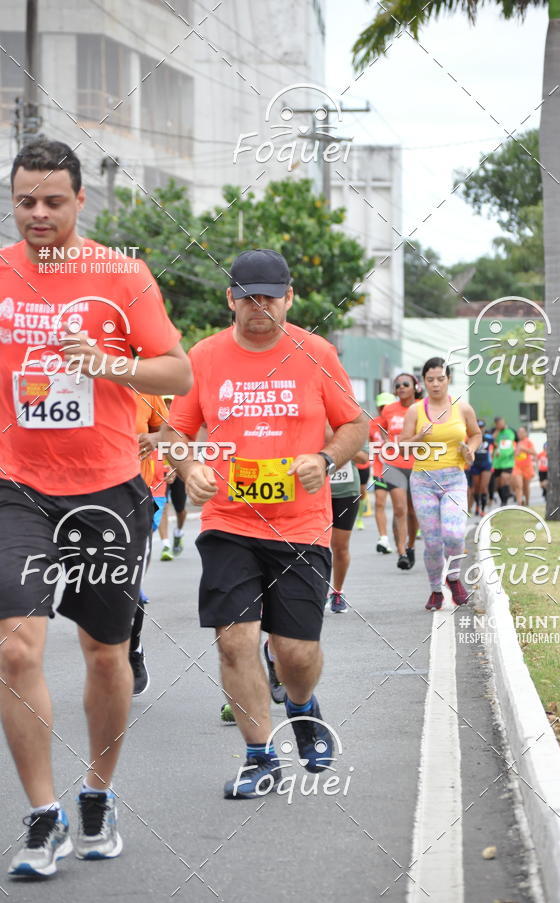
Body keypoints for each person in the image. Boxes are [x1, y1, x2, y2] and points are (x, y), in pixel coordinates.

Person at [0, 138, 192, 877]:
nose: (39, 214)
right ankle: (43, 815)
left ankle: (98, 793)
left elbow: (175, 367)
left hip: (107, 487)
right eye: (25, 201)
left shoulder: (123, 274)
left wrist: (108, 363)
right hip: (16, 484)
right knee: (16, 646)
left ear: (81, 200)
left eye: (53, 200)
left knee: (105, 652)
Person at [163, 248, 367, 799]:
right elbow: (173, 433)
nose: (259, 308)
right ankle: (260, 757)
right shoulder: (204, 357)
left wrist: (323, 460)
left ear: (289, 298)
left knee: (295, 652)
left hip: (301, 525)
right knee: (235, 641)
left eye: (269, 298)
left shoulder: (315, 352)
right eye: (247, 297)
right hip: (229, 522)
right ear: (230, 298)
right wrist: (189, 466)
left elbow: (353, 426)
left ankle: (301, 706)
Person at [400, 357, 481, 611]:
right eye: (430, 379)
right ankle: (436, 590)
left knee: (455, 535)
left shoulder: (462, 408)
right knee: (433, 542)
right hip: (423, 481)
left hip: (454, 479)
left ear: (449, 380)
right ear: (423, 382)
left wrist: (471, 450)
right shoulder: (415, 410)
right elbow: (401, 446)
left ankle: (454, 578)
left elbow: (476, 434)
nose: (436, 384)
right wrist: (419, 437)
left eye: (441, 379)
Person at [131, 392, 171, 696]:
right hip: (75, 498)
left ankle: (132, 647)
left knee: (129, 584)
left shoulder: (144, 386)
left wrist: (155, 441)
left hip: (135, 496)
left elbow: (167, 429)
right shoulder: (69, 378)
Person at [379, 373, 422, 570]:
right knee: (399, 509)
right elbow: (381, 430)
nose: (401, 388)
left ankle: (411, 545)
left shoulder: (423, 408)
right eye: (397, 385)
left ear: (415, 386)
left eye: (406, 384)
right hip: (393, 464)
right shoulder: (389, 410)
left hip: (417, 465)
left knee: (413, 512)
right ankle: (402, 552)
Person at [328, 448, 368, 613]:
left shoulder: (353, 425)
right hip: (314, 491)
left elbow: (363, 458)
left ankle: (337, 592)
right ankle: (315, 591)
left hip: (346, 491)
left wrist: (341, 445)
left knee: (340, 546)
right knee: (313, 545)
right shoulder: (312, 423)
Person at [158, 395, 188, 560]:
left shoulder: (183, 423)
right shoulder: (157, 422)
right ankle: (166, 545)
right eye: (165, 403)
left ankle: (178, 532)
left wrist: (177, 467)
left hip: (180, 469)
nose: (168, 407)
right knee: (162, 505)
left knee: (180, 509)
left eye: (171, 404)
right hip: (161, 470)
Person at [371, 392, 396, 554]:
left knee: (402, 507)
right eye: (381, 407)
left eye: (387, 406)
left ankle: (410, 535)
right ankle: (383, 538)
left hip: (398, 471)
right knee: (379, 503)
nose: (384, 409)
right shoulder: (373, 424)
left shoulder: (400, 423)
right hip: (380, 469)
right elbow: (365, 442)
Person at [470, 419, 494, 516]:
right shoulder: (472, 437)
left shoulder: (488, 438)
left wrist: (493, 455)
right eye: (478, 427)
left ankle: (483, 509)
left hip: (486, 464)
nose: (480, 429)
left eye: (482, 427)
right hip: (475, 464)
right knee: (476, 487)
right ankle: (477, 505)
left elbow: (495, 445)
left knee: (483, 487)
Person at [491, 416, 517, 506]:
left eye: (502, 422)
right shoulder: (494, 432)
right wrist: (497, 431)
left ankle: (505, 500)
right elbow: (490, 440)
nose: (501, 424)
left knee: (504, 479)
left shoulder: (511, 431)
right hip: (498, 462)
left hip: (508, 461)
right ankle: (504, 498)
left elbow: (518, 441)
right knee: (498, 483)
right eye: (498, 423)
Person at [512, 426, 536, 506]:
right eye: (518, 432)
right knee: (518, 485)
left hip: (527, 467)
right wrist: (516, 453)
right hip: (517, 467)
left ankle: (527, 502)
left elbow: (534, 452)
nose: (520, 434)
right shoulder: (516, 443)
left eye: (522, 432)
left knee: (526, 486)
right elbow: (514, 455)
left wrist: (523, 449)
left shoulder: (528, 442)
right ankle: (519, 503)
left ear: (525, 433)